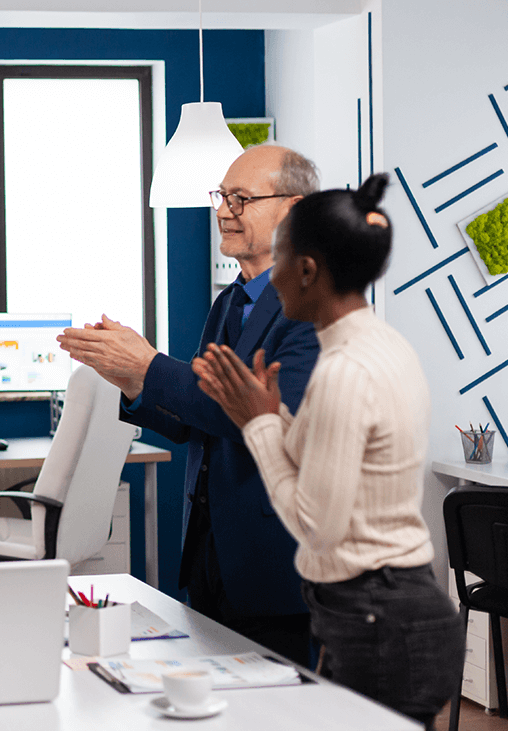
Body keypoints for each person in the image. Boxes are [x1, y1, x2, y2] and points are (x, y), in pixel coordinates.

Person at [192, 173, 464, 728]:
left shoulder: (345, 371)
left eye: (280, 264)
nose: (273, 282)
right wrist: (278, 416)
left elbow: (318, 524)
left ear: (309, 270)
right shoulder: (372, 344)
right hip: (380, 610)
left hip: (379, 617)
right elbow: (329, 454)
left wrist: (260, 425)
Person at [57, 145, 321, 666]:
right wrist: (130, 382)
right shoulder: (230, 300)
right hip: (210, 554)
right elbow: (194, 423)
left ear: (292, 210)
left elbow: (252, 416)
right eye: (223, 197)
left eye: (242, 199)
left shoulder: (312, 305)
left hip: (273, 559)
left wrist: (150, 364)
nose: (224, 211)